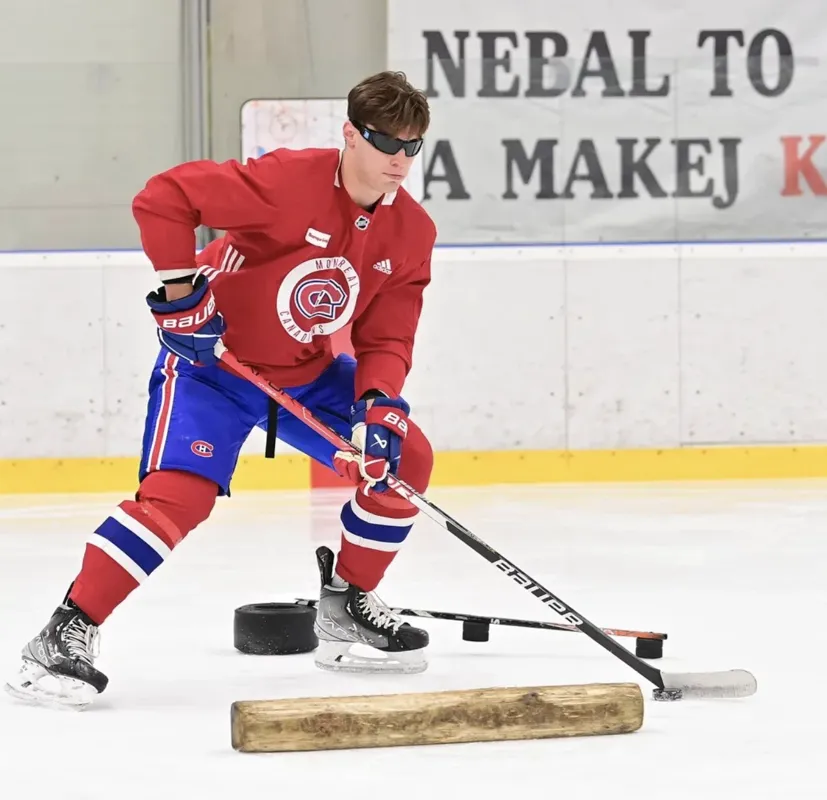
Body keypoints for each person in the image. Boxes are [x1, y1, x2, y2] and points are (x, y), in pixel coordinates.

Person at [5, 71, 437, 709]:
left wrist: (378, 404)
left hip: (307, 375)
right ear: (351, 134)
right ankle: (66, 631)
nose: (399, 160)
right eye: (384, 142)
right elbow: (162, 198)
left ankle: (346, 603)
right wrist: (182, 297)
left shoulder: (412, 233)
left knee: (404, 461)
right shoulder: (288, 181)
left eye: (412, 146)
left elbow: (388, 338)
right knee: (177, 498)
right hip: (215, 369)